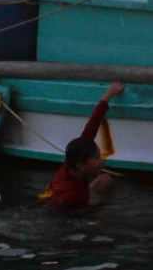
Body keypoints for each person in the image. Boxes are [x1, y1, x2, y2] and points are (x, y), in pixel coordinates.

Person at [43, 82, 125, 210]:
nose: (101, 160)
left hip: (68, 196)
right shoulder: (73, 197)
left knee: (105, 179)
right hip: (61, 210)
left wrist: (109, 94)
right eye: (97, 158)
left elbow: (92, 126)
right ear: (81, 165)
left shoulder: (70, 164)